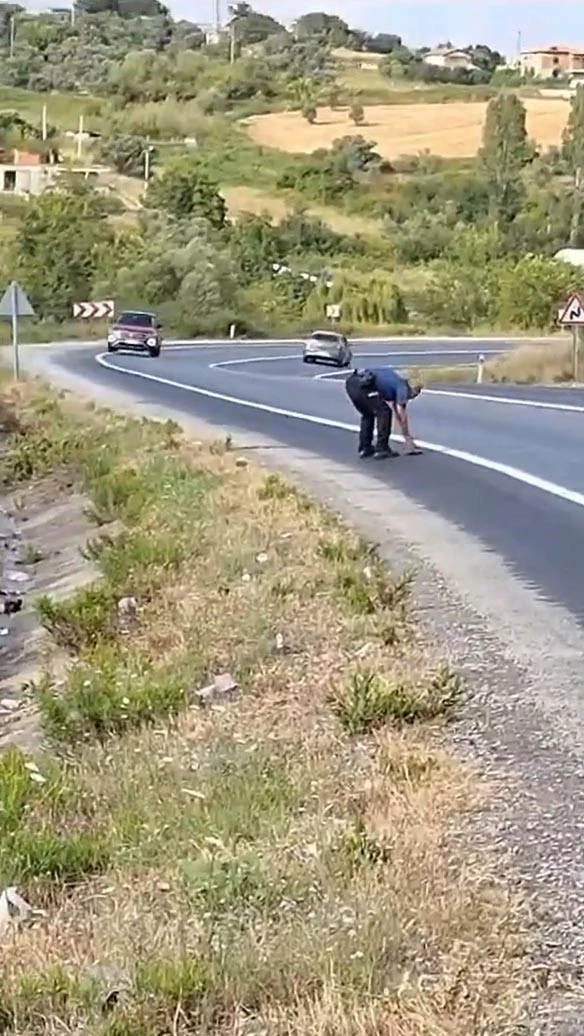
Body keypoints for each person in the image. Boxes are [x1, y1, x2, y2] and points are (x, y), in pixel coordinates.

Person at [345, 365, 423, 458]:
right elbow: (401, 412)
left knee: (368, 414)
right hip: (363, 384)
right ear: (414, 389)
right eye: (414, 395)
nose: (410, 398)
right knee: (384, 412)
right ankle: (382, 448)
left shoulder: (395, 381)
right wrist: (407, 437)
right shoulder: (403, 386)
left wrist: (406, 437)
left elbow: (397, 410)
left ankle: (365, 448)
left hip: (352, 384)